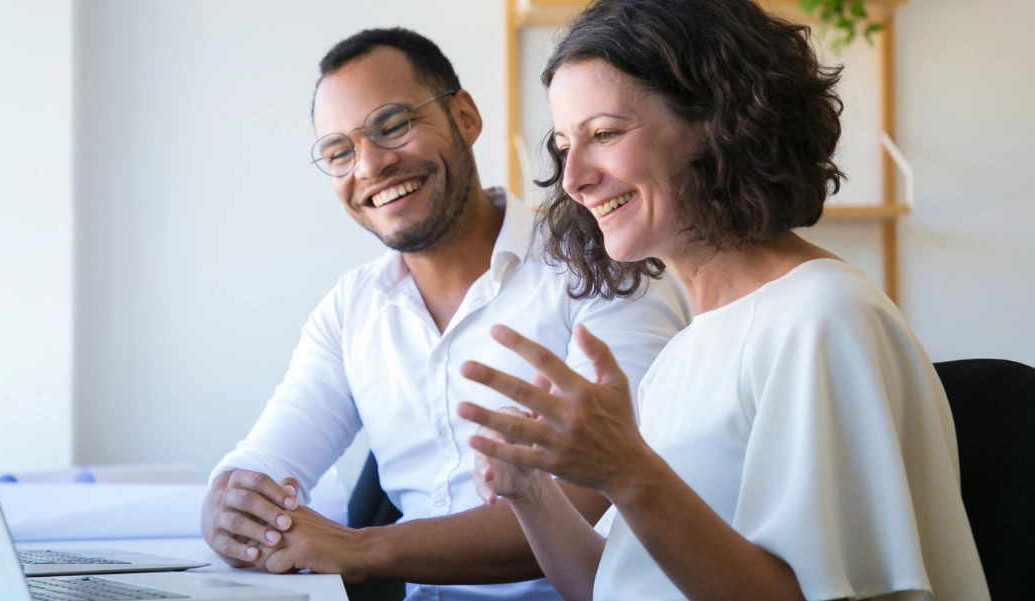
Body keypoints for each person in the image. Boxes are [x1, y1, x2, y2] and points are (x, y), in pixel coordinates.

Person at [455, 1, 991, 600]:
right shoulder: (686, 351)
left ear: (719, 120)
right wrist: (530, 490)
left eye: (604, 134)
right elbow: (615, 586)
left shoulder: (823, 317)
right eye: (563, 146)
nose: (574, 178)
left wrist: (629, 472)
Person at [200, 27, 691, 601]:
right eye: (340, 151)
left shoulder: (603, 266)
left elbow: (602, 489)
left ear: (465, 116)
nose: (371, 165)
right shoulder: (351, 307)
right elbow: (265, 458)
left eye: (393, 125)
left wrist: (365, 550)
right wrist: (229, 506)